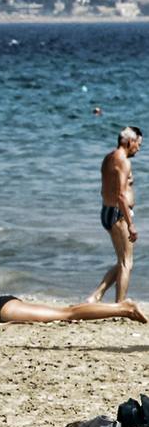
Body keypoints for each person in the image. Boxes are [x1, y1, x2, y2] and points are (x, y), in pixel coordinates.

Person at [0, 259, 146, 325]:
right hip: (1, 308)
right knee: (66, 313)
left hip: (3, 311)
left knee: (67, 313)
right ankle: (123, 308)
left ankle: (123, 307)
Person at [89, 126, 142, 303]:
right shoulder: (123, 161)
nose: (139, 149)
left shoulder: (109, 158)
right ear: (129, 142)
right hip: (118, 213)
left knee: (122, 261)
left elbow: (107, 186)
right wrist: (130, 224)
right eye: (138, 144)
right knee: (127, 263)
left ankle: (96, 295)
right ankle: (120, 305)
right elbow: (120, 195)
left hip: (107, 211)